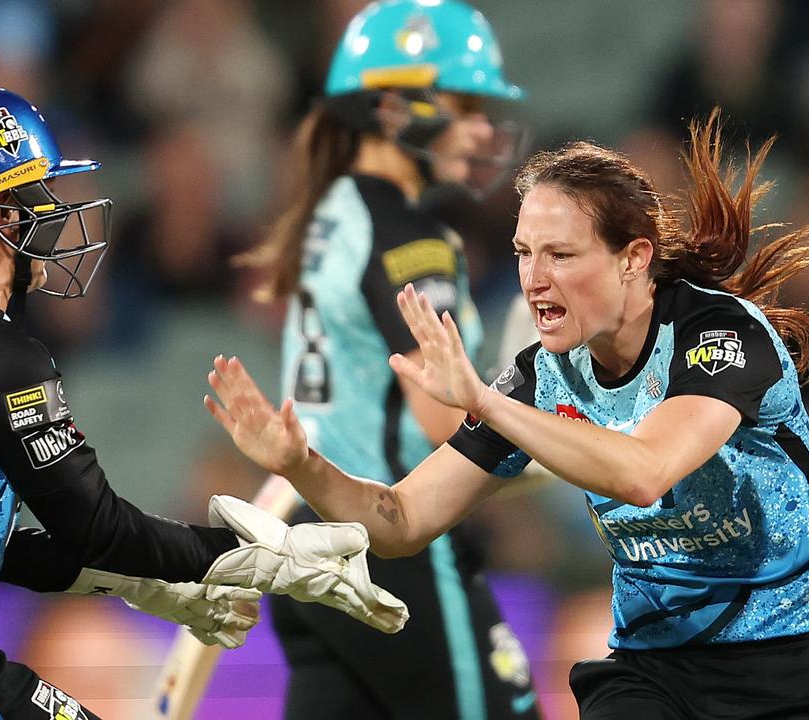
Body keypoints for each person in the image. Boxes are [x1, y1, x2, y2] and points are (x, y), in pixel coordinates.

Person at [0, 85, 407, 720]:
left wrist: (147, 587)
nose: (58, 211)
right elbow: (97, 528)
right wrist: (273, 558)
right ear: (1, 214)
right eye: (40, 192)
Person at [207, 110, 809, 719]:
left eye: (561, 254)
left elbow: (645, 472)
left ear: (633, 258)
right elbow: (401, 521)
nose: (534, 279)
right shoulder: (541, 375)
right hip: (656, 671)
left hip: (797, 659)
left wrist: (482, 403)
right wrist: (301, 464)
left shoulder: (719, 336)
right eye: (525, 253)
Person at [234, 1, 537, 717]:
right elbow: (447, 422)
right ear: (397, 108)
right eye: (465, 103)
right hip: (391, 544)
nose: (484, 127)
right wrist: (536, 387)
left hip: (305, 541)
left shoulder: (331, 210)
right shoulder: (411, 237)